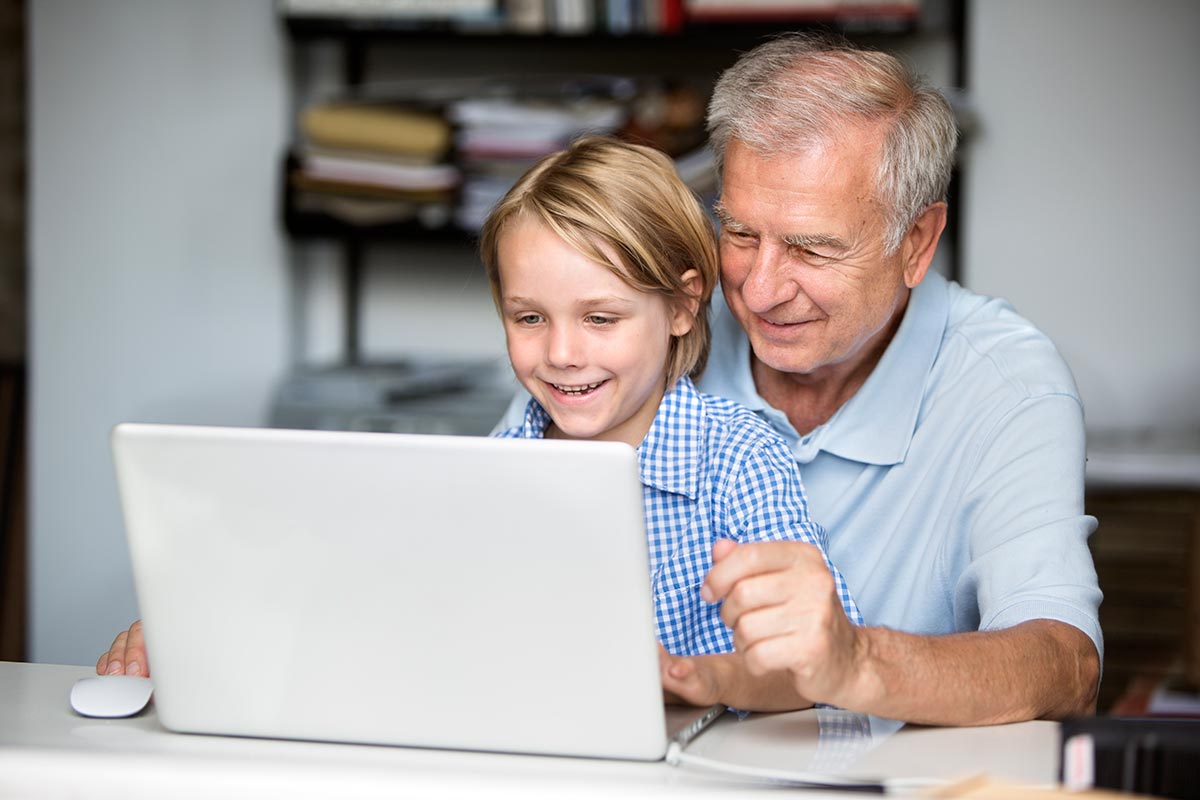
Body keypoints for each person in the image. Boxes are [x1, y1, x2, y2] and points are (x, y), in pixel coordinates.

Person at [97, 136, 862, 713]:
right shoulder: (500, 460)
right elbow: (374, 603)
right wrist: (197, 629)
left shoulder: (738, 457)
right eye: (529, 318)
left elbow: (818, 660)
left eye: (600, 317)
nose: (562, 354)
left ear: (682, 306)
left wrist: (696, 681)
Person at [655, 32, 1102, 725]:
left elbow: (1065, 665)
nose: (760, 289)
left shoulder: (1007, 384)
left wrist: (853, 661)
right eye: (740, 234)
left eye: (812, 248)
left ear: (917, 243)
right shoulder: (659, 325)